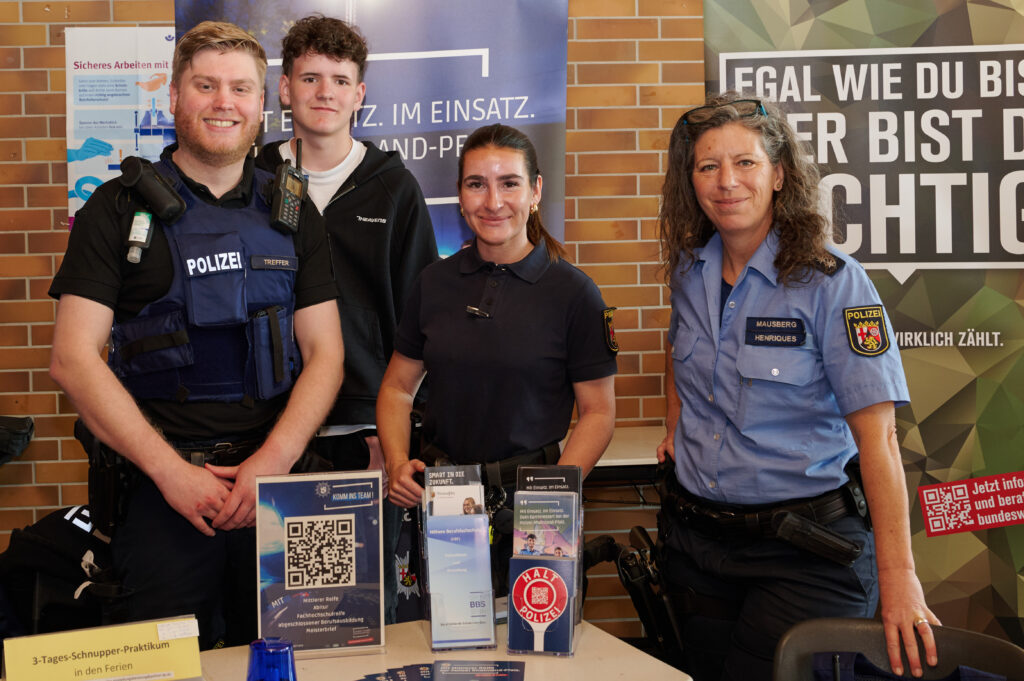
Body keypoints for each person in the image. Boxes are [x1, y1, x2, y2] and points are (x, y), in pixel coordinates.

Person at [48, 21, 343, 649]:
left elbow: (326, 355)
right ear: (174, 96)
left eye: (240, 88)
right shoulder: (115, 210)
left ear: (262, 103)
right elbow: (73, 358)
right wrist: (172, 473)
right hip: (163, 492)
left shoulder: (293, 211)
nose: (223, 102)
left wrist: (273, 462)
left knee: (302, 659)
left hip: (277, 488)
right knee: (166, 663)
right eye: (205, 85)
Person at [655, 92, 939, 681]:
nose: (726, 181)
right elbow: (677, 353)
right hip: (698, 547)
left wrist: (900, 579)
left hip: (804, 554)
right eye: (708, 166)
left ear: (780, 174)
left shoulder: (834, 282)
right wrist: (675, 428)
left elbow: (880, 441)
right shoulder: (689, 269)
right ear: (691, 181)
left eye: (746, 162)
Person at [378, 123, 618, 593]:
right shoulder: (433, 283)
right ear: (460, 195)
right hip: (446, 501)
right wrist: (396, 461)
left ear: (535, 191)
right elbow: (397, 388)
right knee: (448, 635)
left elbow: (599, 412)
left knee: (538, 634)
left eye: (509, 183)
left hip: (538, 504)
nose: (492, 202)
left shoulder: (575, 293)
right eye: (477, 184)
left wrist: (556, 493)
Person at [255, 16, 437, 623]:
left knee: (353, 611)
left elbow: (418, 322)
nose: (324, 92)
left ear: (360, 94)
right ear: (285, 90)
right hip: (268, 429)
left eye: (339, 80)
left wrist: (394, 434)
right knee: (280, 609)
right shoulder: (253, 181)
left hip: (364, 434)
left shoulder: (395, 189)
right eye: (310, 78)